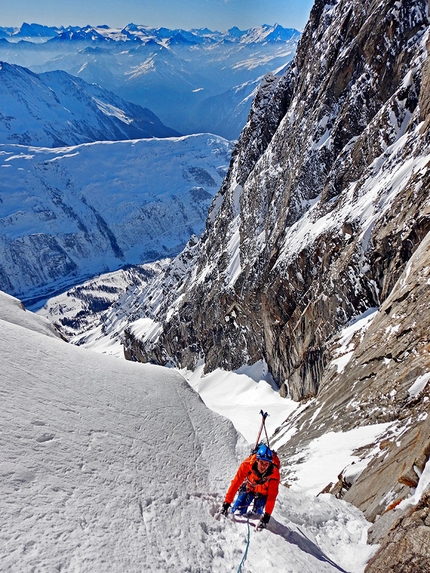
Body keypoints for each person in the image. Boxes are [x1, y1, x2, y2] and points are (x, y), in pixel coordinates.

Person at [221, 443, 280, 530]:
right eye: (261, 462)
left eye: (266, 464)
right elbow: (236, 483)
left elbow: (272, 496)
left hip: (263, 494)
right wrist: (226, 503)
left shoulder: (274, 475)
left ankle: (258, 508)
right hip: (249, 488)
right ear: (257, 460)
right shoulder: (247, 465)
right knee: (237, 511)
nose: (263, 466)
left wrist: (266, 516)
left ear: (270, 464)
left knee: (257, 514)